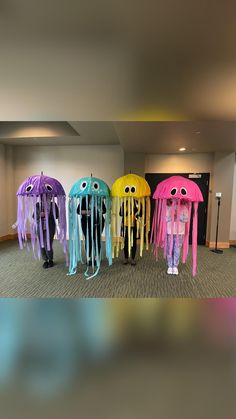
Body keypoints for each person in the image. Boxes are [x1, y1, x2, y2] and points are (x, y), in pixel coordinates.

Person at [77, 197, 106, 265]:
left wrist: (98, 211)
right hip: (86, 223)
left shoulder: (99, 199)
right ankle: (88, 258)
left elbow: (104, 210)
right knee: (88, 240)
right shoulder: (84, 199)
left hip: (98, 223)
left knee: (97, 239)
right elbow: (78, 211)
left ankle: (96, 258)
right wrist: (89, 212)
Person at [166, 199, 189, 275]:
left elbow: (186, 219)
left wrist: (178, 215)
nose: (175, 199)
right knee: (169, 249)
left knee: (177, 249)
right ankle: (170, 265)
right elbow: (165, 219)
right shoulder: (168, 207)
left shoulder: (184, 208)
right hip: (170, 232)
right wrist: (172, 216)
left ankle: (175, 266)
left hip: (180, 232)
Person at [35, 196, 59, 269]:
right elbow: (34, 216)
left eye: (49, 196)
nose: (47, 197)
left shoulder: (53, 205)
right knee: (41, 244)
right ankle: (45, 260)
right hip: (40, 227)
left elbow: (57, 216)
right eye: (44, 196)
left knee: (48, 243)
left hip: (50, 227)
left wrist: (47, 214)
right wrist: (40, 215)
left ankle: (50, 259)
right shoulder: (37, 205)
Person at [120, 200, 142, 266]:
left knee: (134, 241)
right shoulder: (125, 202)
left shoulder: (138, 202)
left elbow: (141, 213)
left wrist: (137, 212)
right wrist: (127, 212)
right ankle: (126, 257)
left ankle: (133, 258)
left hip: (135, 225)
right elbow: (120, 213)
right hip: (126, 225)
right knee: (126, 241)